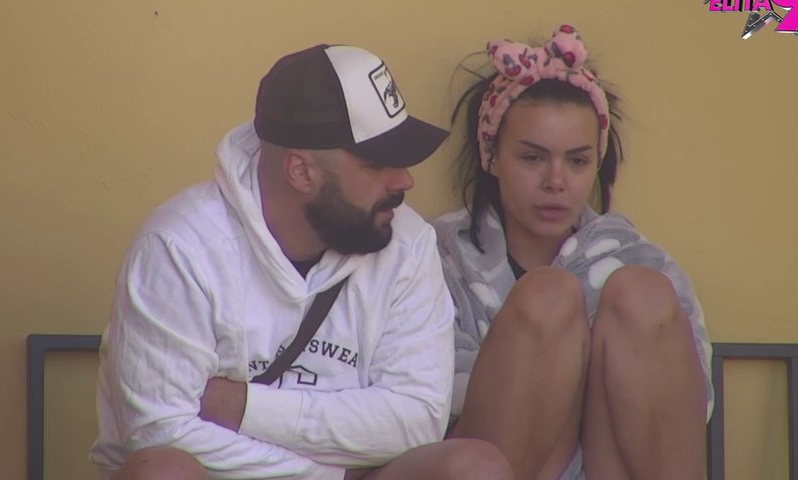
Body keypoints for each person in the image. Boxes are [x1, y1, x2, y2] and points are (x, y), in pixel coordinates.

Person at [90, 44, 516, 480]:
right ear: (301, 171)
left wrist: (243, 407)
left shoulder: (408, 242)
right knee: (162, 471)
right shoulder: (181, 247)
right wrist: (330, 472)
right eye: (377, 165)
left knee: (475, 469)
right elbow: (161, 432)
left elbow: (418, 420)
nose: (405, 180)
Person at [433, 25, 714, 480]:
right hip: (496, 462)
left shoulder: (642, 262)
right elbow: (425, 398)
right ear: (492, 156)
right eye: (532, 158)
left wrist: (600, 376)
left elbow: (686, 406)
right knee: (549, 297)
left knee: (642, 292)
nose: (556, 181)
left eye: (578, 161)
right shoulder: (437, 257)